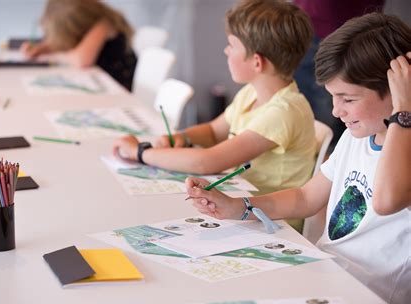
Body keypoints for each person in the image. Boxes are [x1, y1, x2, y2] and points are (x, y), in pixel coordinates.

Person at [185, 12, 411, 304]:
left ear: (397, 89)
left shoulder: (403, 145)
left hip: (367, 299)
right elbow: (305, 197)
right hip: (325, 278)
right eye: (333, 97)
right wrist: (239, 206)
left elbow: (385, 201)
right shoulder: (357, 137)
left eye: (348, 98)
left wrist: (405, 110)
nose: (336, 110)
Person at [113, 0, 316, 198]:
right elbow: (212, 132)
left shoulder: (283, 112)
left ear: (257, 62)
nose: (226, 51)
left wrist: (140, 152)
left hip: (271, 221)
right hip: (241, 203)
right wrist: (183, 137)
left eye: (232, 45)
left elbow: (207, 161)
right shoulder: (252, 93)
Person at [293, 0, 385, 148]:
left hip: (342, 24)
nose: (336, 111)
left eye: (348, 100)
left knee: (327, 120)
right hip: (309, 21)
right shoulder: (350, 138)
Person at [20, 0, 137, 90]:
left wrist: (54, 55)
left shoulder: (104, 24)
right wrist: (43, 49)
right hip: (103, 84)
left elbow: (81, 60)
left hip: (121, 88)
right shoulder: (92, 26)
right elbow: (68, 46)